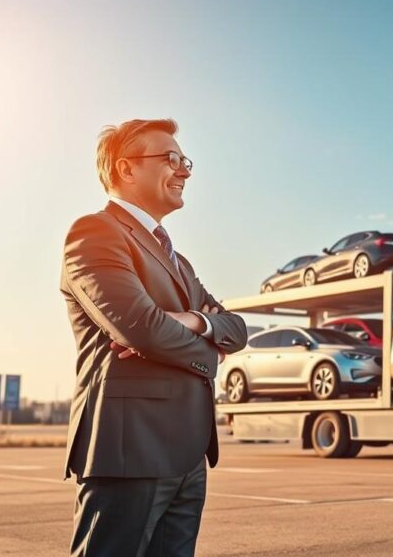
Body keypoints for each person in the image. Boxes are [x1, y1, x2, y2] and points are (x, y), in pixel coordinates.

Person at [60, 118, 248, 556]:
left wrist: (195, 321)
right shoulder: (95, 233)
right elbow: (143, 328)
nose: (184, 170)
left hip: (188, 455)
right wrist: (209, 351)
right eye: (171, 159)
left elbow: (236, 329)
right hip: (132, 452)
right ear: (127, 169)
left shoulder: (177, 261)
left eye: (186, 161)